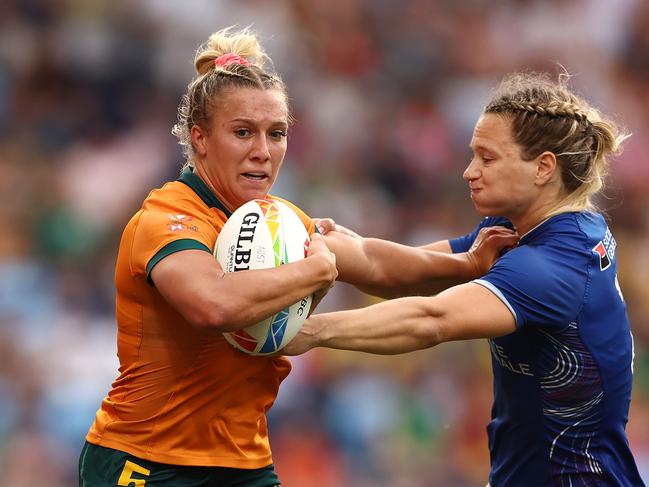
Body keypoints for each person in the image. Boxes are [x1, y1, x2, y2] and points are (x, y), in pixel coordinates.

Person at [78, 27, 515, 487]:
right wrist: (314, 269)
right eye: (243, 132)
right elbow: (214, 305)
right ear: (200, 138)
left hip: (243, 464)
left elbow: (375, 263)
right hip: (143, 461)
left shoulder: (278, 222)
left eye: (277, 133)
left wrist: (466, 265)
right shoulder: (166, 218)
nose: (263, 152)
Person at [285, 72, 645, 486]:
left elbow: (432, 318)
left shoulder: (557, 264)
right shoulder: (519, 230)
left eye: (487, 158)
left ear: (544, 167)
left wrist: (311, 331)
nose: (469, 172)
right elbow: (400, 270)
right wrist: (305, 237)